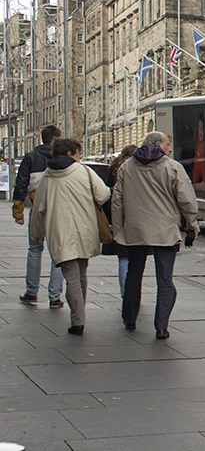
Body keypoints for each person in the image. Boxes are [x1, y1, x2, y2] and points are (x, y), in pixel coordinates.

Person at [112, 132, 199, 339]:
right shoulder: (172, 167)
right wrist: (191, 225)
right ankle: (161, 326)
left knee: (134, 275)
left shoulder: (127, 167)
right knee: (165, 280)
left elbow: (117, 201)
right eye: (168, 144)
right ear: (158, 144)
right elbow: (187, 200)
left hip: (135, 230)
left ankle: (130, 318)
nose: (170, 148)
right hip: (165, 231)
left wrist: (118, 230)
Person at [29, 138, 110, 335]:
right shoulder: (84, 171)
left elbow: (38, 208)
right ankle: (79, 318)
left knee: (71, 276)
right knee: (80, 275)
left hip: (60, 232)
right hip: (85, 229)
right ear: (69, 153)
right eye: (78, 153)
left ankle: (78, 319)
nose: (80, 156)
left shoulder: (47, 177)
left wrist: (36, 234)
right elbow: (103, 194)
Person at [13, 124, 65, 308]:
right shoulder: (62, 157)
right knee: (57, 254)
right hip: (58, 209)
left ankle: (32, 291)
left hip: (37, 208)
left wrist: (18, 212)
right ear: (56, 140)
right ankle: (55, 296)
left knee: (35, 249)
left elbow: (21, 184)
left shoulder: (30, 157)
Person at [101, 145, 136, 297]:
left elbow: (107, 194)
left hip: (117, 216)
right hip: (134, 216)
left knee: (123, 258)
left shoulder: (114, 169)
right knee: (134, 258)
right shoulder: (137, 168)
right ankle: (132, 292)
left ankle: (124, 293)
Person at [192, 114, 205, 192]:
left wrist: (194, 186)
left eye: (201, 129)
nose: (199, 132)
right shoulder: (200, 148)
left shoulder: (201, 148)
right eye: (199, 128)